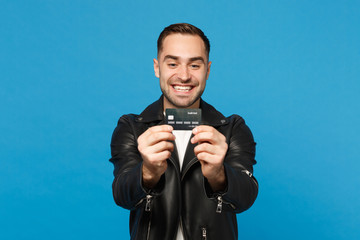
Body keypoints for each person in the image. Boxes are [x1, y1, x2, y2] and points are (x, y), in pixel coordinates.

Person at [109, 23, 258, 240]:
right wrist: (148, 172)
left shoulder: (232, 129)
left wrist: (219, 174)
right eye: (172, 63)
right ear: (157, 67)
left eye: (195, 66)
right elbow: (122, 195)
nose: (184, 75)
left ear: (207, 70)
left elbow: (246, 197)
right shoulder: (132, 127)